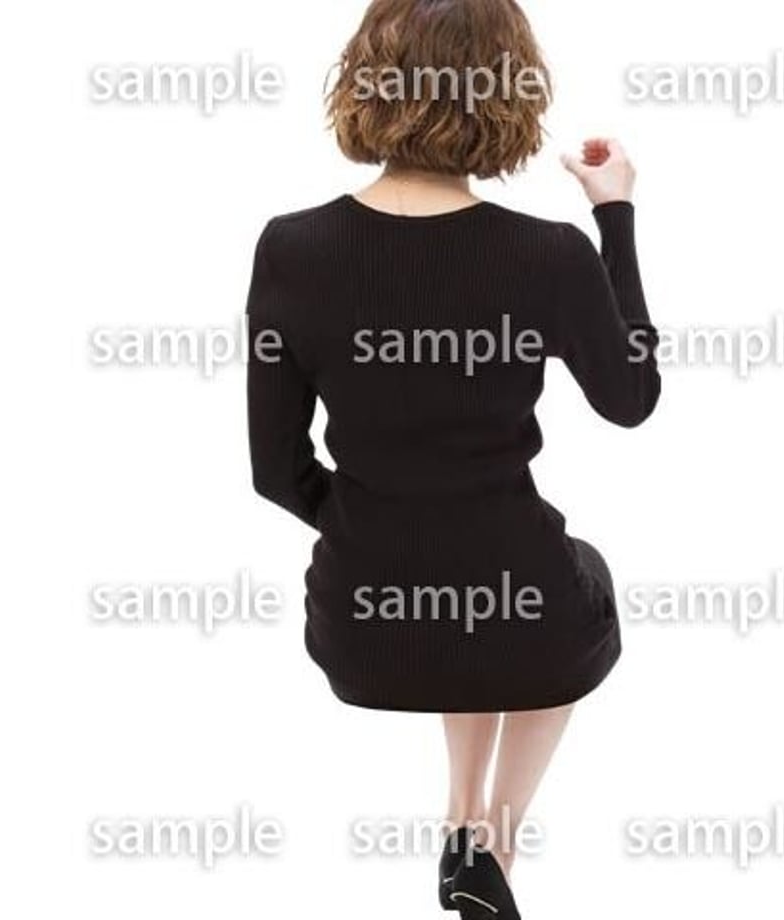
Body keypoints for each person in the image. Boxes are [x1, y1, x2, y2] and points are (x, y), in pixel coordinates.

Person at [246, 1, 661, 916]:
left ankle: (462, 821)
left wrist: (377, 519)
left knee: (473, 575)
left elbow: (275, 472)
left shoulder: (290, 247)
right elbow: (631, 397)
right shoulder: (547, 255)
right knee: (561, 582)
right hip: (517, 608)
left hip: (361, 630)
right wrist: (617, 215)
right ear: (507, 94)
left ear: (365, 81)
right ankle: (495, 848)